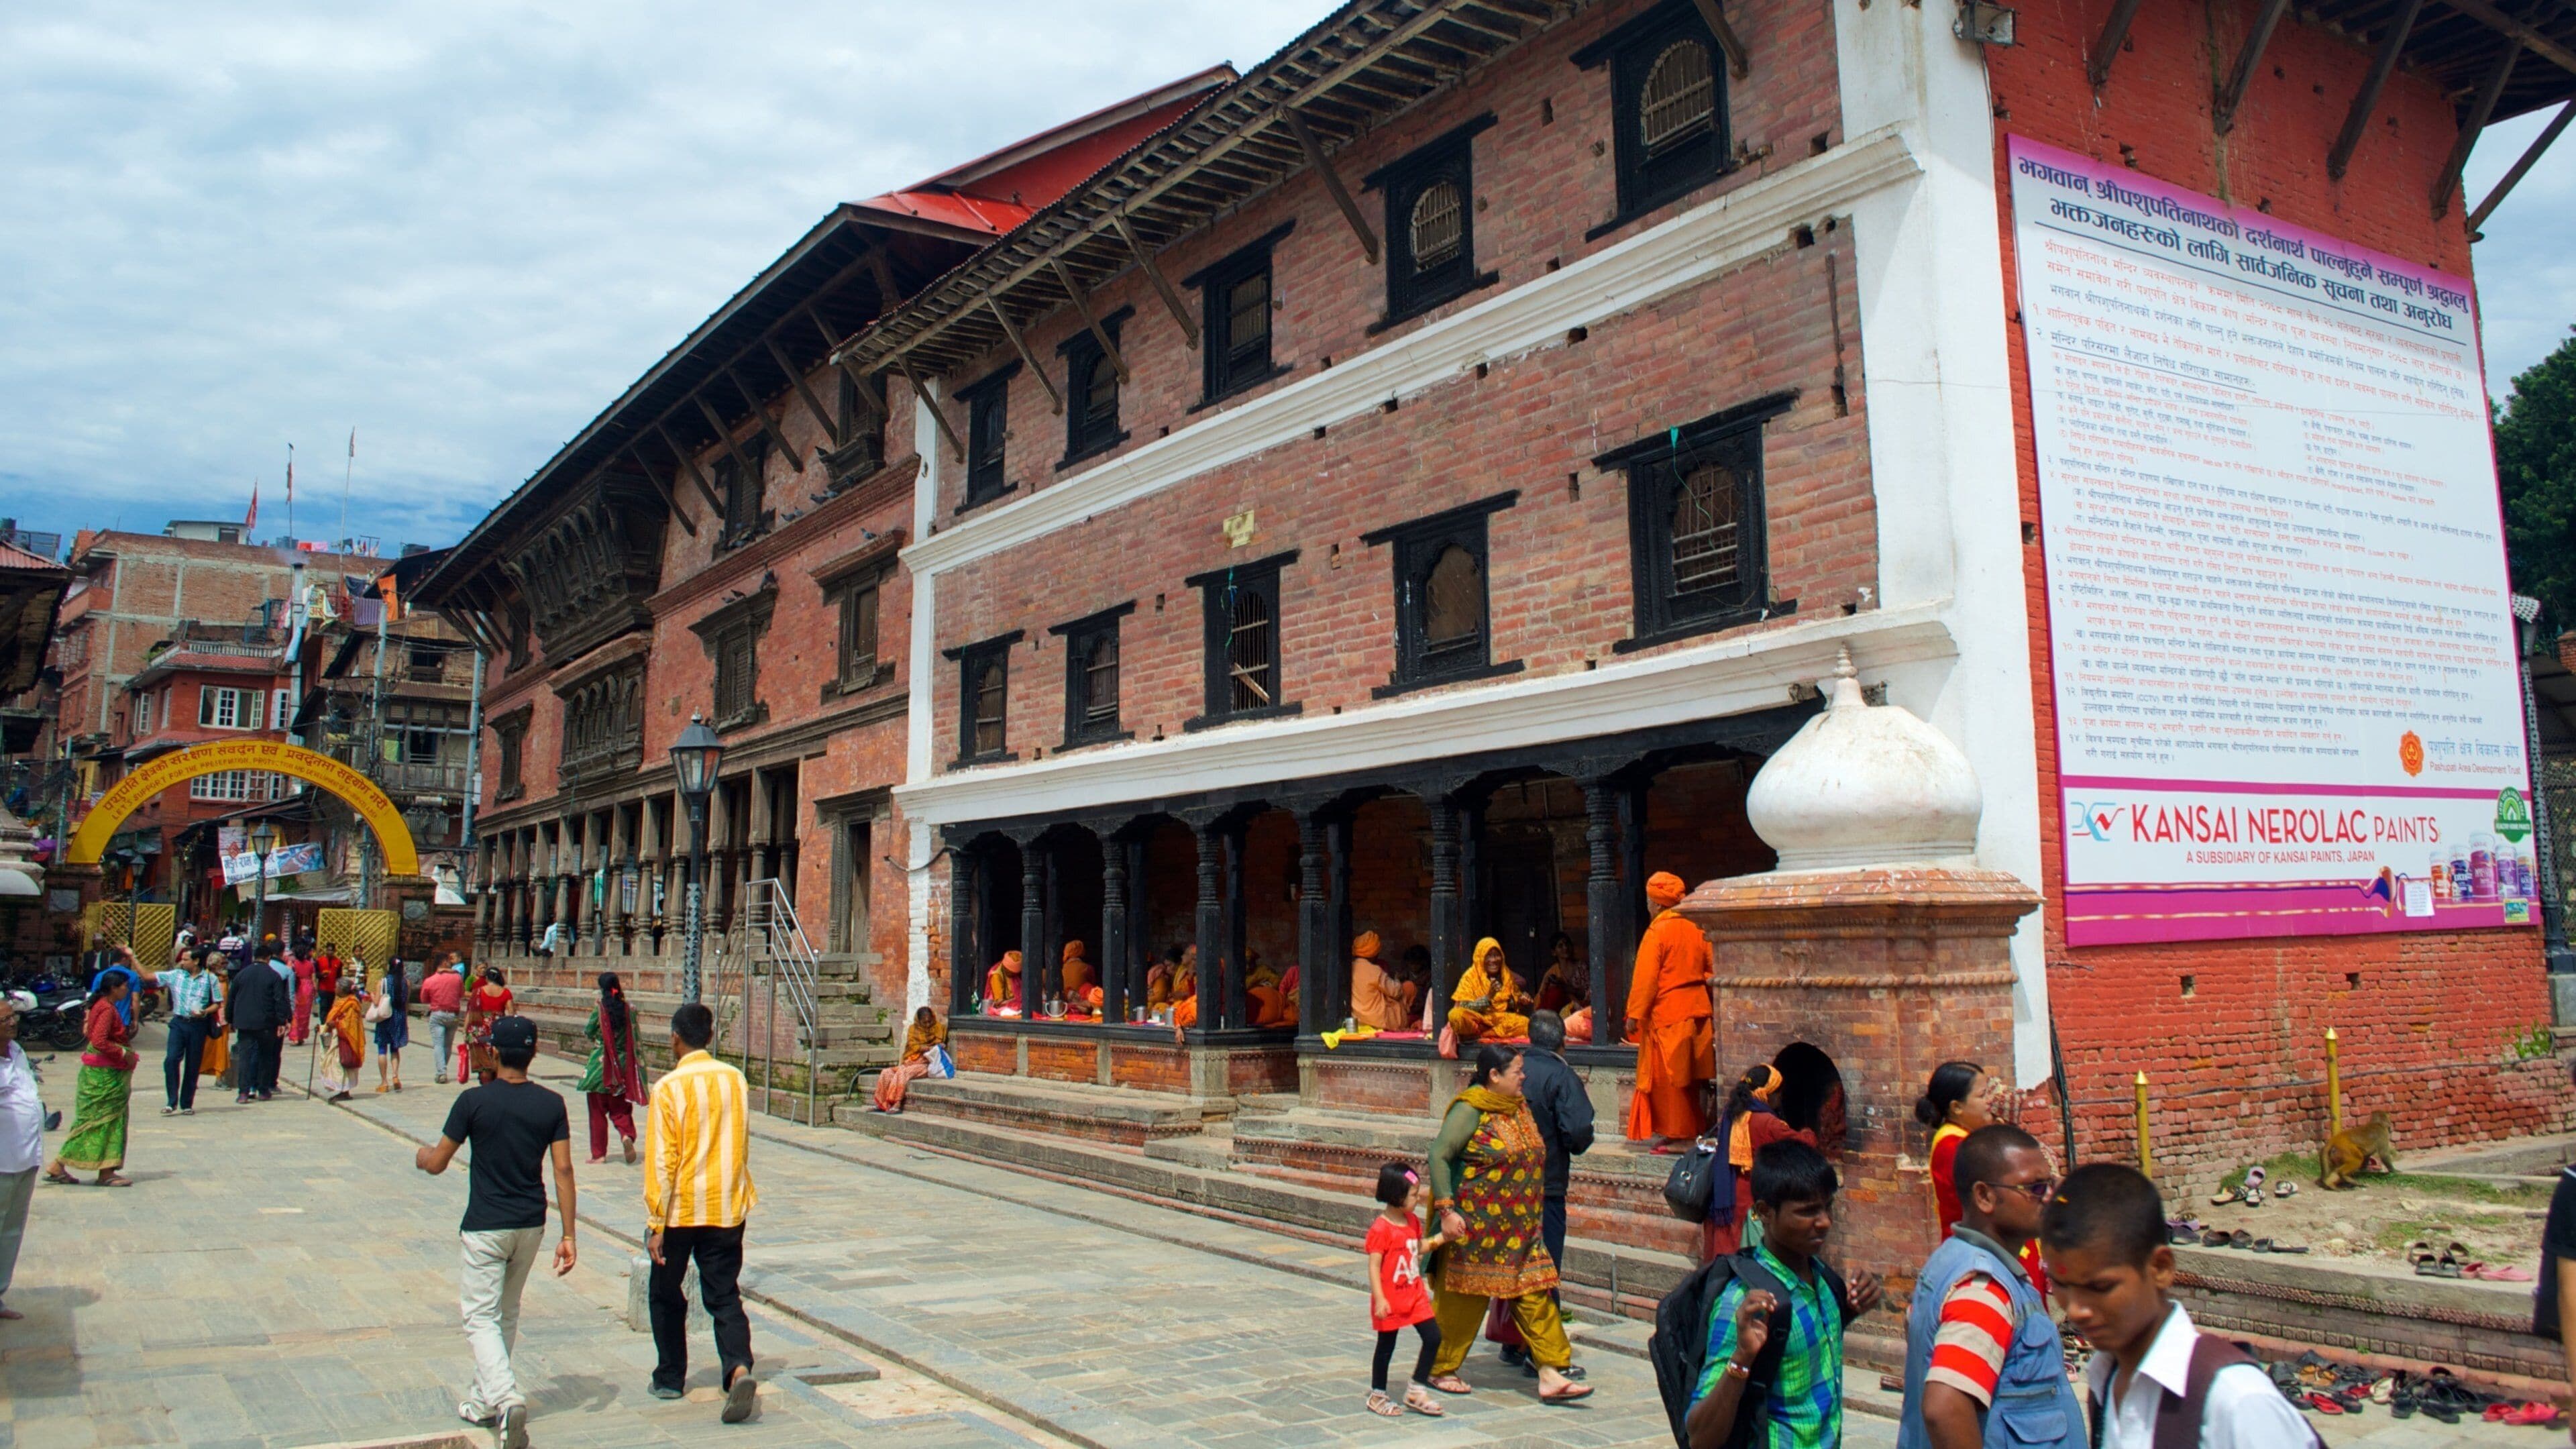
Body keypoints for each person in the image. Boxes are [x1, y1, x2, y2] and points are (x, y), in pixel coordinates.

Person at [2041, 1163, 2310, 1449]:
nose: (2076, 1311)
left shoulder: (2237, 1401)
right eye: (2062, 1285)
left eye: (2100, 1287)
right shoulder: (2104, 1378)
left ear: (2160, 1268)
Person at [415, 1016, 575, 1449]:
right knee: (506, 1312)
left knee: (480, 1317)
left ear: (495, 1052)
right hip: (531, 1223)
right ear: (534, 1053)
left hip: (487, 1224)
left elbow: (439, 1162)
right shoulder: (551, 1104)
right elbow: (563, 1169)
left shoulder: (474, 1102)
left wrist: (421, 1156)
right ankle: (483, 1401)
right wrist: (569, 1235)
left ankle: (505, 1398)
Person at [1684, 1140, 1885, 1449]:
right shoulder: (1744, 1303)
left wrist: (1851, 1308)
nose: (1825, 1222)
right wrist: (1741, 1358)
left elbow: (1805, 1345)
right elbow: (1700, 1438)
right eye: (1807, 1212)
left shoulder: (1824, 1280)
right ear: (1765, 1212)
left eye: (1828, 1207)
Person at [1420, 1044, 1591, 1403]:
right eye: (1517, 1071)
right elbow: (1439, 1154)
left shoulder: (1519, 1106)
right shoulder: (1471, 1108)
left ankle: (1551, 1373)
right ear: (1494, 1076)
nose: (1524, 1077)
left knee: (1536, 1296)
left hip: (1521, 1231)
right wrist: (1447, 1211)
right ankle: (1439, 1368)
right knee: (1461, 1303)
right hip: (1474, 1231)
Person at [1898, 1125, 2082, 1449]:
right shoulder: (1984, 1288)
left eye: (2050, 1184)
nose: (2048, 1197)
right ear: (1984, 1196)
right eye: (2035, 1188)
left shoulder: (1954, 1258)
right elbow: (1944, 1407)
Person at [646, 1002, 759, 1423]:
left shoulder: (668, 1088)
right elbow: (741, 1141)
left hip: (680, 1212)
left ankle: (670, 1377)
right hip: (726, 1207)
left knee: (665, 1292)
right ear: (710, 1037)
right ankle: (738, 1368)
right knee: (723, 1293)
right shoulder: (735, 1079)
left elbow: (664, 1160)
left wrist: (655, 1222)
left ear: (675, 1038)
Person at [1492, 1008, 1596, 1377]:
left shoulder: (1511, 1072)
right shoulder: (1561, 1075)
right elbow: (1578, 1130)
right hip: (1546, 1186)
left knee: (1518, 1263)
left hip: (1508, 1186)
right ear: (1562, 1042)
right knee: (1545, 1269)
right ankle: (1544, 1354)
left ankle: (1514, 1342)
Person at [1919, 1061, 2048, 1296]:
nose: (1992, 1101)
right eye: (1983, 1095)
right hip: (1985, 1255)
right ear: (1957, 1108)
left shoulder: (1968, 1136)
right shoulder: (1953, 1145)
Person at [1625, 869, 1715, 1150]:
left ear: (1655, 903)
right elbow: (1713, 970)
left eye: (1648, 902)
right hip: (1699, 1013)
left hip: (1669, 1016)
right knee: (1694, 1079)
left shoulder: (1657, 931)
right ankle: (1694, 1130)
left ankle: (1683, 1136)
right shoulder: (1697, 927)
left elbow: (1646, 980)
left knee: (1672, 1081)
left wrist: (1635, 1015)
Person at [1364, 1161, 1450, 1418]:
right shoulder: (1381, 1229)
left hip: (1414, 1294)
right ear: (1396, 1196)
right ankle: (1377, 1394)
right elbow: (1374, 1266)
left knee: (1433, 1337)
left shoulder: (1412, 1221)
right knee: (1386, 1346)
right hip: (1390, 1299)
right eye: (1413, 1195)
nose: (1418, 1199)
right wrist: (1380, 1299)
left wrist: (1442, 1238)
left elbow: (1416, 1247)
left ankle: (1416, 1389)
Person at [1708, 1065, 1817, 1258]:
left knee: (1728, 1250)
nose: (1780, 1098)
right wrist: (1809, 1132)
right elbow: (1803, 1144)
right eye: (1778, 1093)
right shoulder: (1767, 1122)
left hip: (1727, 1191)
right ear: (1768, 1094)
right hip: (1752, 1195)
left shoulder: (1732, 1113)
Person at [44, 973, 139, 1187]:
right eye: (124, 986)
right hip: (104, 1077)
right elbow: (99, 1041)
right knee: (99, 1121)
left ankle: (97, 1169)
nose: (127, 990)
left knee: (102, 1121)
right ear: (113, 988)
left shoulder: (102, 1006)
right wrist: (124, 1054)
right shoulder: (106, 1009)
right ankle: (96, 1171)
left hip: (104, 1075)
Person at [0, 1000, 42, 1320]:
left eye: (12, 1016)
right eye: (4, 1019)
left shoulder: (16, 1051)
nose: (12, 1022)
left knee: (11, 1231)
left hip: (26, 1158)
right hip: (2, 1161)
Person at [577, 972, 645, 1164]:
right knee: (621, 1108)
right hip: (622, 1067)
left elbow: (589, 1031)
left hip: (598, 1068)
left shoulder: (600, 1009)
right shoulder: (630, 1010)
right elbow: (636, 1037)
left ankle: (599, 1154)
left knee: (597, 1112)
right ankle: (626, 1135)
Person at [158, 947, 223, 1116]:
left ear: (196, 961)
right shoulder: (176, 975)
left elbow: (217, 1003)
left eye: (186, 959)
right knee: (171, 1059)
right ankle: (171, 1101)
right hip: (179, 1023)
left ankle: (187, 1103)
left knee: (193, 1064)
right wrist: (133, 959)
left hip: (198, 1025)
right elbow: (150, 977)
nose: (182, 962)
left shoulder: (210, 979)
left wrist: (205, 1011)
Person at [227, 947, 288, 1104]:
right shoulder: (273, 976)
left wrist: (230, 1019)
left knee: (245, 1058)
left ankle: (243, 1092)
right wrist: (282, 1020)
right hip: (266, 1023)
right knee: (265, 1056)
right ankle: (263, 1090)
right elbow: (279, 1000)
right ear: (268, 958)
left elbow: (231, 998)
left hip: (244, 1023)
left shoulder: (242, 974)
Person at [1446, 937, 1530, 1045]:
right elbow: (1465, 1006)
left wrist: (1521, 1001)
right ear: (1480, 958)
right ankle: (1487, 1033)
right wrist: (1488, 998)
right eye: (1489, 956)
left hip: (1500, 1020)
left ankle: (1486, 1034)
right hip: (1479, 1021)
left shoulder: (1506, 975)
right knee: (1456, 1016)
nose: (1494, 960)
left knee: (1526, 1023)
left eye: (1497, 955)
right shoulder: (1470, 977)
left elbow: (1513, 1004)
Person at [872, 1007, 947, 1114]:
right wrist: (929, 1048)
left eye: (929, 1021)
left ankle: (897, 1103)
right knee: (886, 1072)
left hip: (927, 1065)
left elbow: (939, 1045)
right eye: (924, 1022)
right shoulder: (913, 1029)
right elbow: (913, 1046)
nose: (927, 1024)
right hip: (910, 1061)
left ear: (933, 1018)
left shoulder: (939, 1028)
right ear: (919, 1021)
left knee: (903, 1073)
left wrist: (937, 1047)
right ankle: (882, 1104)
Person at [1348, 932, 1418, 1032]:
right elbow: (1395, 992)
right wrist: (1397, 980)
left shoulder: (1350, 968)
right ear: (1374, 954)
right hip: (1379, 1022)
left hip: (1358, 1021)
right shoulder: (1374, 970)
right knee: (1409, 986)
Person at [464, 966, 514, 1085]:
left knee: (483, 1063)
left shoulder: (477, 992)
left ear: (486, 978)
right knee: (496, 1060)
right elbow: (511, 1012)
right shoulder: (506, 992)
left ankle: (485, 1084)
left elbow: (471, 1012)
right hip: (498, 1029)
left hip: (478, 1029)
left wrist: (465, 1030)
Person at [317, 979, 364, 1103]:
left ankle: (344, 1092)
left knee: (341, 1065)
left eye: (336, 987)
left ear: (343, 990)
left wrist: (337, 1024)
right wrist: (323, 1028)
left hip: (345, 1040)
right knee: (334, 1065)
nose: (334, 989)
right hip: (336, 1037)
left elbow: (351, 1023)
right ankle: (342, 1091)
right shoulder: (340, 1001)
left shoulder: (352, 1004)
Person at [422, 955, 466, 1085]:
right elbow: (462, 994)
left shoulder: (430, 980)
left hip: (438, 1014)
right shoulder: (457, 978)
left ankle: (442, 1072)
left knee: (438, 1044)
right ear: (444, 962)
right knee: (447, 1045)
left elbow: (424, 999)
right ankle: (442, 1070)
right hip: (453, 1015)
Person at [373, 958, 409, 1092]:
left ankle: (384, 1082)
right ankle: (395, 1076)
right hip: (399, 1017)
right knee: (395, 1049)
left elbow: (377, 1002)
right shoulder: (406, 983)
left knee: (382, 1049)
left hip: (385, 1018)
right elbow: (406, 1003)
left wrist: (372, 996)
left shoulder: (383, 982)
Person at [1248, 949, 1299, 1030]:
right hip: (1270, 1001)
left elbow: (1277, 981)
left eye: (1249, 962)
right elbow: (1283, 986)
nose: (1248, 966)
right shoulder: (1294, 971)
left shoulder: (1262, 970)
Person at [288, 942, 317, 1047]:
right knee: (305, 1015)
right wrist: (315, 992)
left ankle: (295, 1037)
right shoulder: (310, 964)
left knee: (296, 1014)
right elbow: (314, 980)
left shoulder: (293, 964)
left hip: (298, 988)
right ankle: (301, 1037)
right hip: (308, 988)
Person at [1169, 944, 1201, 1030]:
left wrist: (1184, 994)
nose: (1182, 956)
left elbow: (1194, 996)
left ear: (1193, 958)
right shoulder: (1184, 973)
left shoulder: (1197, 975)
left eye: (1185, 954)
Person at [983, 950, 1024, 1016]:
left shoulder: (1013, 975)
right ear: (1006, 968)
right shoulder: (996, 976)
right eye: (1012, 973)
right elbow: (999, 1003)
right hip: (1004, 1007)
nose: (1014, 975)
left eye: (1015, 973)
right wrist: (1015, 1000)